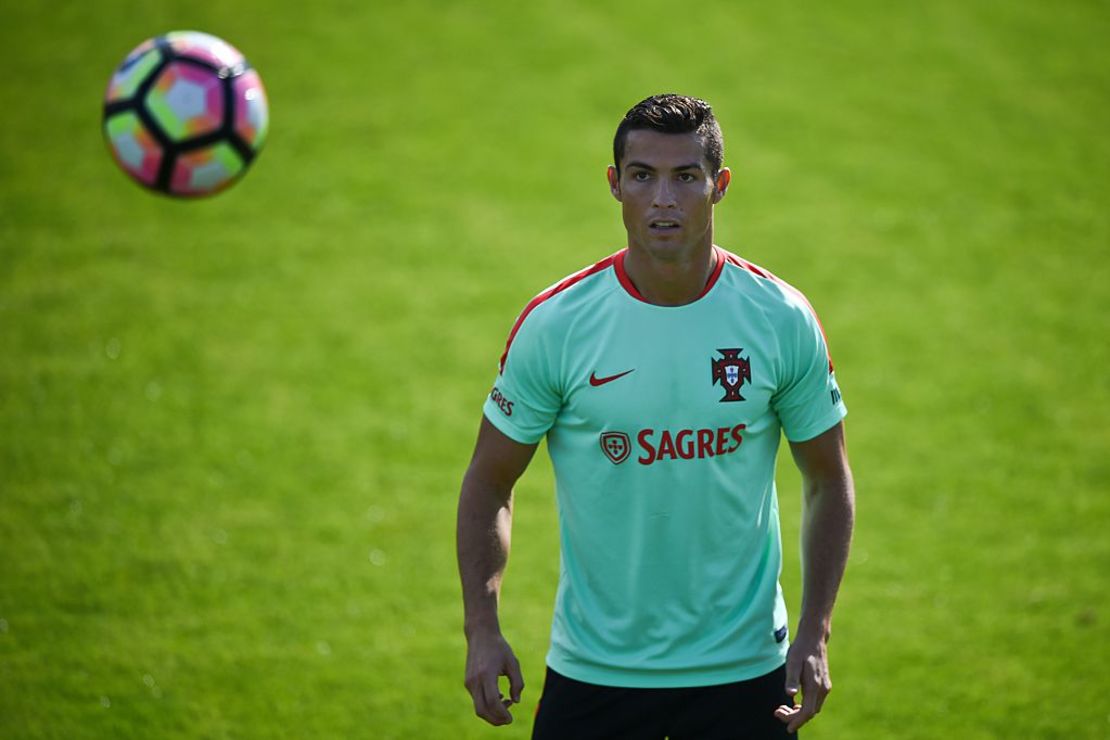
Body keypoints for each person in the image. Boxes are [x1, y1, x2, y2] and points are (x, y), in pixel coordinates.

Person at [456, 93, 855, 739]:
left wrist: (815, 633)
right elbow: (489, 482)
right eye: (642, 175)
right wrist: (482, 628)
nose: (663, 198)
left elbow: (828, 479)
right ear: (614, 185)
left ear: (718, 186)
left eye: (685, 177)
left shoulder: (779, 319)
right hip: (594, 671)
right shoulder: (558, 326)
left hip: (747, 668)